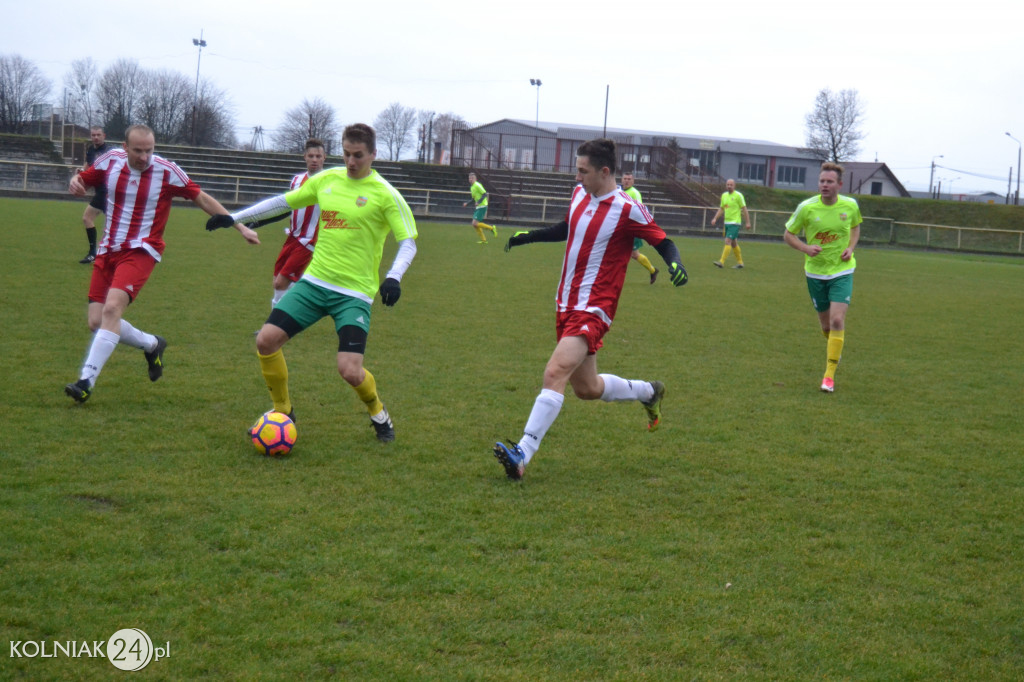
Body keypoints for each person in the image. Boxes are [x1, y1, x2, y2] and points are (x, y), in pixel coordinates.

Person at [207, 123, 418, 443]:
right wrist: (235, 217)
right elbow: (284, 202)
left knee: (349, 370)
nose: (350, 161)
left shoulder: (386, 194)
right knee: (266, 341)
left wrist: (393, 277)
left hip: (353, 294)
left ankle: (378, 412)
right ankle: (283, 412)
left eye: (358, 155)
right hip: (314, 284)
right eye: (346, 154)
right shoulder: (327, 180)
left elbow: (408, 243)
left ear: (373, 154)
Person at [494, 138, 688, 480]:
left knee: (554, 372)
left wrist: (674, 263)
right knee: (587, 388)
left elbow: (664, 241)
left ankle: (523, 451)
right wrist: (530, 236)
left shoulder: (627, 208)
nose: (577, 176)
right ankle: (648, 391)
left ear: (605, 171)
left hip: (595, 308)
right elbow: (567, 228)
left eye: (583, 171)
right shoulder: (579, 194)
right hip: (566, 302)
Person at [65, 124, 260, 403]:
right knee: (97, 322)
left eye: (149, 150)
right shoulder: (109, 163)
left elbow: (201, 197)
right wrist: (75, 182)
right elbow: (81, 180)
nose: (145, 157)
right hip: (109, 250)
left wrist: (239, 226)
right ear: (124, 147)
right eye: (138, 151)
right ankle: (152, 344)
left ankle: (85, 381)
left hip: (142, 250)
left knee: (112, 309)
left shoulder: (167, 171)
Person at [783, 162, 862, 393]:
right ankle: (834, 350)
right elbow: (788, 234)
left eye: (829, 182)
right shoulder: (806, 208)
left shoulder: (850, 205)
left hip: (842, 271)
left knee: (838, 321)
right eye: (822, 181)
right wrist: (805, 248)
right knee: (827, 326)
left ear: (839, 184)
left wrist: (851, 248)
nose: (824, 185)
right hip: (815, 273)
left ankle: (829, 375)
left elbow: (856, 227)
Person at [252, 138, 326, 309]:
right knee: (278, 282)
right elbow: (287, 208)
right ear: (305, 157)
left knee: (280, 283)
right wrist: (259, 223)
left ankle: (273, 326)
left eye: (318, 156)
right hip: (292, 237)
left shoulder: (329, 183)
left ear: (324, 158)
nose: (314, 159)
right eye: (311, 156)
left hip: (309, 241)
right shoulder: (296, 180)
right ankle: (293, 308)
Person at [78, 126, 114, 264]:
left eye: (98, 135)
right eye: (93, 135)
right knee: (113, 224)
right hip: (101, 190)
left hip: (107, 191)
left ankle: (93, 253)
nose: (96, 137)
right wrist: (81, 172)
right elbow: (88, 165)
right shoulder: (91, 150)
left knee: (87, 218)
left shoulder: (108, 151)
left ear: (104, 135)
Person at [621, 171, 659, 284]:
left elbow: (639, 210)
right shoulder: (620, 192)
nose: (626, 181)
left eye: (629, 179)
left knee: (633, 254)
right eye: (625, 178)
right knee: (630, 254)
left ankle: (652, 270)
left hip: (631, 229)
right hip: (622, 228)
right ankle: (653, 270)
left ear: (633, 181)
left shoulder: (634, 193)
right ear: (622, 180)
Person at [710, 179, 751, 269]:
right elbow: (721, 208)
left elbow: (744, 209)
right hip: (727, 223)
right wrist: (715, 218)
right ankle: (740, 263)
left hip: (735, 223)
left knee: (727, 241)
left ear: (734, 186)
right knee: (733, 243)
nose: (729, 186)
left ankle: (721, 262)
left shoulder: (738, 196)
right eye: (728, 184)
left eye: (731, 185)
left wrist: (748, 222)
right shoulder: (724, 195)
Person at [462, 172, 497, 243]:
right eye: (469, 178)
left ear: (475, 179)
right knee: (474, 225)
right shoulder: (472, 187)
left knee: (475, 223)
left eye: (472, 178)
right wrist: (467, 203)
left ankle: (492, 228)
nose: (470, 179)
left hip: (482, 205)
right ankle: (484, 240)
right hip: (479, 207)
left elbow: (484, 194)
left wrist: (479, 202)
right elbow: (473, 199)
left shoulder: (477, 185)